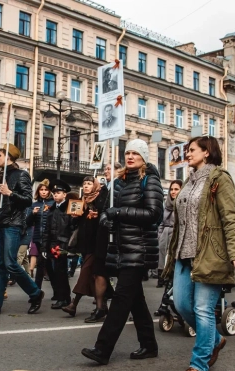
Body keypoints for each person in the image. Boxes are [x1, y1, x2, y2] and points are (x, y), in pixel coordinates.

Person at [162, 136, 235, 370]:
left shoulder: (220, 178)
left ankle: (199, 364)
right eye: (187, 150)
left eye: (192, 150)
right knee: (181, 305)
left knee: (202, 308)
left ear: (207, 152)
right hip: (183, 254)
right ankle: (216, 340)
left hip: (209, 254)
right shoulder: (188, 182)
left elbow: (230, 217)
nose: (187, 154)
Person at [82, 139, 163, 366]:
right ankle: (149, 345)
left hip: (139, 248)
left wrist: (117, 212)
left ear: (143, 156)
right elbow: (110, 209)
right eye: (127, 153)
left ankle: (102, 349)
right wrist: (107, 216)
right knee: (135, 300)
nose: (130, 157)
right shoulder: (120, 182)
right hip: (121, 247)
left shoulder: (150, 180)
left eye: (135, 153)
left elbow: (153, 213)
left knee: (120, 299)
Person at [0, 143, 43, 315]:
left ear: (9, 158)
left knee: (10, 263)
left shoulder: (21, 175)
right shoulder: (0, 176)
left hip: (13, 223)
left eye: (0, 155)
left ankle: (35, 293)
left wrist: (10, 193)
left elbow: (28, 199)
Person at [62, 176, 109, 318]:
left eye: (89, 183)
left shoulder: (101, 198)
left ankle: (73, 304)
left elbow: (105, 215)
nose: (87, 186)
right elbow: (75, 224)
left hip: (98, 243)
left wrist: (98, 214)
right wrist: (75, 218)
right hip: (85, 244)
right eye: (85, 183)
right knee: (93, 276)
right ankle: (103, 304)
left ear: (95, 185)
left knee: (85, 272)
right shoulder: (82, 201)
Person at [41, 179, 74, 310]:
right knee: (53, 272)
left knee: (61, 272)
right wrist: (44, 246)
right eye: (54, 193)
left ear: (65, 194)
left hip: (63, 244)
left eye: (58, 192)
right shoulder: (52, 209)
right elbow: (46, 230)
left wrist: (70, 245)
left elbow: (72, 227)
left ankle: (64, 298)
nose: (55, 195)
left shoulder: (70, 207)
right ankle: (61, 296)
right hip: (52, 244)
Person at [26, 179, 54, 289]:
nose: (43, 192)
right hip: (38, 237)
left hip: (49, 238)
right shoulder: (34, 204)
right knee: (46, 265)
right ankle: (56, 291)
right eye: (41, 190)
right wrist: (33, 214)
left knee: (42, 264)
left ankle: (36, 291)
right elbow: (28, 222)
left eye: (46, 190)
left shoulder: (53, 204)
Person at [156, 180, 182, 289]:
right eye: (171, 189)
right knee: (161, 256)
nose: (173, 192)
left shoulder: (182, 204)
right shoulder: (166, 204)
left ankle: (170, 278)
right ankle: (161, 278)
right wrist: (160, 234)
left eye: (176, 189)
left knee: (172, 257)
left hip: (176, 234)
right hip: (165, 234)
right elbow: (161, 221)